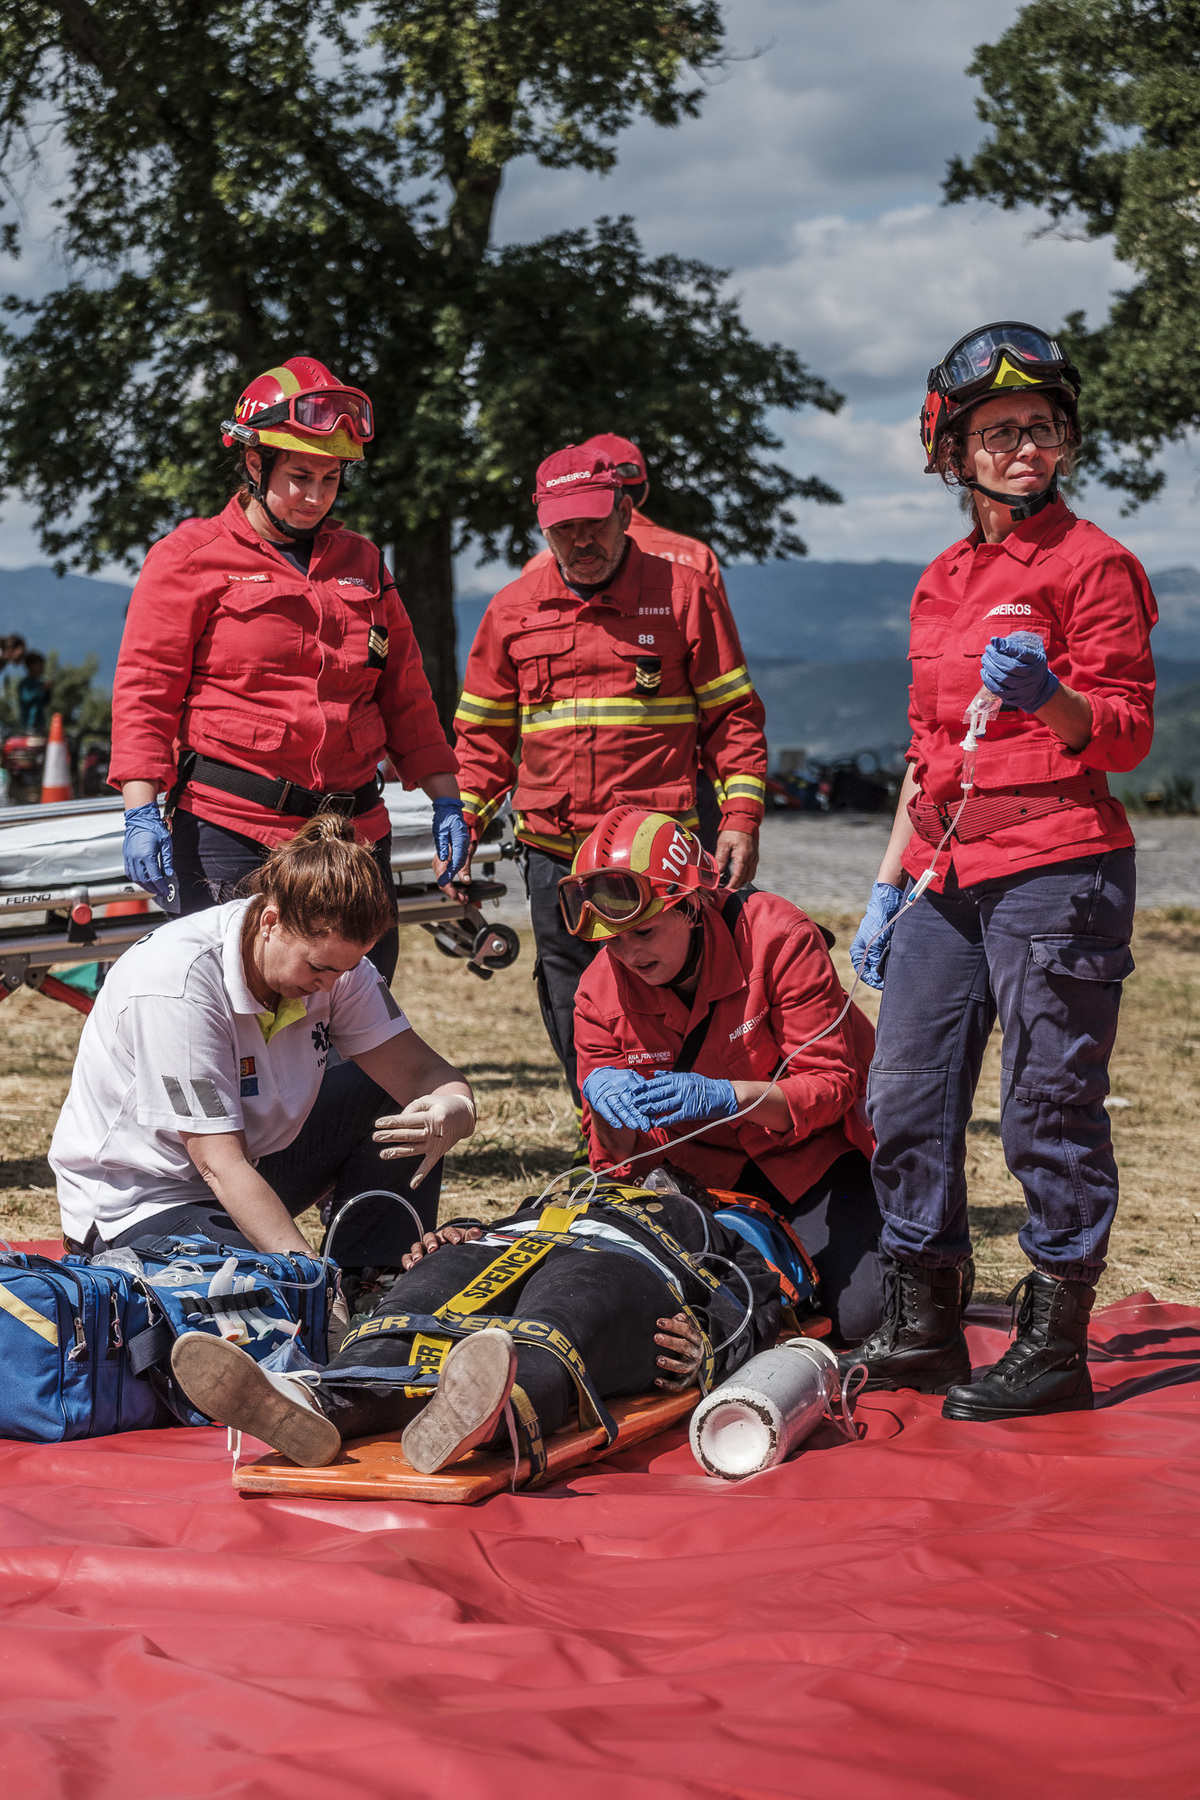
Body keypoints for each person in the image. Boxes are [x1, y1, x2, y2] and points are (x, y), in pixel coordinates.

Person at [845, 321, 1156, 1422]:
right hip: (942, 872)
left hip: (1059, 869)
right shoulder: (941, 580)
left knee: (1048, 1101)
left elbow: (1122, 736)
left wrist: (1051, 699)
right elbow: (926, 753)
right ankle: (925, 1317)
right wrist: (889, 886)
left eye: (1043, 428)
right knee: (905, 1094)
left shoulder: (1094, 566)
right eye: (1001, 432)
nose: (1027, 446)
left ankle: (1056, 1337)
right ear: (955, 453)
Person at [109, 355, 469, 980]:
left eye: (330, 479)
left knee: (356, 1004)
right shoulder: (189, 557)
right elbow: (146, 691)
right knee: (238, 1010)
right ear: (255, 463)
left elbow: (405, 693)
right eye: (299, 475)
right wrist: (142, 808)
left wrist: (446, 800)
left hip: (350, 836)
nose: (315, 497)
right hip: (233, 832)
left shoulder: (364, 562)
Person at [454, 442, 768, 1109]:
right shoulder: (511, 609)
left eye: (594, 522)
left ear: (626, 511)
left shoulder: (684, 595)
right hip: (553, 852)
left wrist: (740, 817)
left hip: (658, 852)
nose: (580, 539)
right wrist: (462, 827)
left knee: (667, 992)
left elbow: (732, 719)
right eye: (564, 527)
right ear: (542, 525)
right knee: (570, 998)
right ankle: (600, 1138)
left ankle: (682, 1132)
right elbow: (481, 738)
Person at [49, 816, 477, 1266]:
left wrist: (455, 1109)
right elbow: (218, 1163)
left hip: (249, 1165)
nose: (331, 987)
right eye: (318, 968)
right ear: (270, 921)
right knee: (261, 1297)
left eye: (346, 970)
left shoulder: (336, 967)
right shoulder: (179, 980)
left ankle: (374, 1279)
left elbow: (424, 1074)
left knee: (390, 1098)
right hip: (144, 1197)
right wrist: (308, 1273)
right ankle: (322, 1293)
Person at [167, 1176, 782, 1473]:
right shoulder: (555, 1197)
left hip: (621, 1264)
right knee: (408, 1319)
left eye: (656, 1178)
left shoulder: (702, 1220)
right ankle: (312, 1399)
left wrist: (715, 1343)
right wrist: (460, 1233)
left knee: (551, 1330)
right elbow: (485, 1233)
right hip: (505, 1247)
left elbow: (756, 1291)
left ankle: (486, 1415)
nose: (641, 1176)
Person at [568, 807, 883, 1347]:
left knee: (865, 1317)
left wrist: (728, 1096)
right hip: (702, 1181)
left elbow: (832, 1086)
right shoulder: (598, 994)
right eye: (611, 939)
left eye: (642, 931)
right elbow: (618, 1167)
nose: (627, 953)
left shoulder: (780, 939)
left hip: (810, 1158)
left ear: (692, 906)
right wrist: (600, 1103)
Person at [523, 433, 732, 850]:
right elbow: (722, 685)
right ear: (641, 492)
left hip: (562, 821)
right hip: (677, 785)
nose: (582, 539)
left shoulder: (539, 569)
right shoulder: (695, 560)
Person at [16, 650, 49, 735]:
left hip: (40, 723)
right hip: (29, 723)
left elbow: (46, 701)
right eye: (40, 665)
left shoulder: (39, 683)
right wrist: (40, 690)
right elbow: (26, 697)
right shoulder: (25, 684)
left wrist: (47, 691)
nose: (42, 668)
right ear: (31, 666)